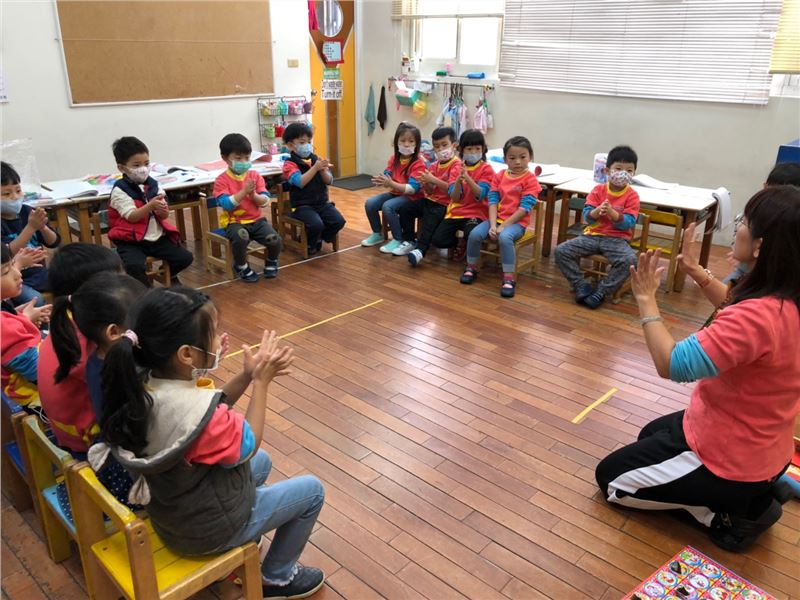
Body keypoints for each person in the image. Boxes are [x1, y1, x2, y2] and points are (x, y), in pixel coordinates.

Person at [595, 185, 800, 553]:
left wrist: (646, 299)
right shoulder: (786, 298)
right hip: (764, 445)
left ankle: (729, 513)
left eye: (744, 222)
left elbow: (671, 364)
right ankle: (756, 487)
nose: (737, 228)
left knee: (612, 481)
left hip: (729, 458)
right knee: (649, 434)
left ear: (760, 246)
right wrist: (694, 270)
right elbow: (737, 310)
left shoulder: (757, 317)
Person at [96, 287, 326, 598]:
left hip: (172, 514)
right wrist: (261, 382)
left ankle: (249, 534)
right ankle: (276, 577)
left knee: (264, 463)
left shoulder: (141, 385)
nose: (219, 339)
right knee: (312, 491)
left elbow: (205, 413)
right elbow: (248, 443)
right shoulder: (194, 410)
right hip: (207, 532)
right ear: (186, 354)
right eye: (214, 332)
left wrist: (246, 376)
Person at [47, 272, 147, 517]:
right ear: (114, 332)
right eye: (142, 323)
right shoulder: (121, 370)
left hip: (111, 455)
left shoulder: (96, 359)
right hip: (127, 477)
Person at [37, 243, 125, 453]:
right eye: (120, 281)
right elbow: (124, 380)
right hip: (88, 442)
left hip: (67, 429)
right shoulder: (88, 338)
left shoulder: (65, 320)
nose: (125, 286)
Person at [553, 145, 640, 309]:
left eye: (629, 170)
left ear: (634, 173)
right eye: (618, 169)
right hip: (592, 236)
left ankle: (601, 291)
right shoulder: (598, 190)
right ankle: (581, 285)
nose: (623, 173)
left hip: (617, 239)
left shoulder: (632, 196)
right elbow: (587, 217)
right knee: (561, 251)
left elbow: (628, 223)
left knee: (630, 261)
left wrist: (613, 213)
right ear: (607, 170)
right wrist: (597, 211)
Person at [459, 136, 541, 298]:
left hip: (517, 223)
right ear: (505, 159)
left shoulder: (530, 179)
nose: (518, 162)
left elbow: (524, 209)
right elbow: (492, 201)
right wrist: (492, 225)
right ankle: (471, 267)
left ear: (530, 157)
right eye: (512, 158)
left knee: (505, 237)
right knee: (474, 234)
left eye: (522, 157)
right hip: (496, 219)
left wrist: (503, 226)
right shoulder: (500, 175)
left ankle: (509, 278)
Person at [108, 136, 193, 286]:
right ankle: (144, 290)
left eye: (146, 163)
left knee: (185, 257)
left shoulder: (153, 185)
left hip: (156, 237)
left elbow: (164, 215)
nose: (143, 168)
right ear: (122, 168)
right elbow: (132, 216)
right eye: (136, 165)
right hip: (131, 240)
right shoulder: (120, 190)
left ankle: (169, 274)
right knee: (134, 266)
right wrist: (151, 205)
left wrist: (162, 210)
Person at [214, 133, 282, 283]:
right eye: (238, 158)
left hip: (257, 220)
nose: (244, 162)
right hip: (234, 222)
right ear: (225, 158)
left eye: (247, 158)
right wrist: (244, 192)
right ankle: (241, 265)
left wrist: (253, 195)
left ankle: (271, 261)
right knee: (241, 237)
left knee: (274, 239)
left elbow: (265, 201)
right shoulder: (221, 180)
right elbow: (226, 204)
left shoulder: (255, 176)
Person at [724, 161, 800, 285]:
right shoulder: (756, 210)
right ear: (765, 187)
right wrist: (739, 253)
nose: (778, 200)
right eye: (774, 192)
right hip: (747, 269)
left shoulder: (790, 221)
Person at [281, 123, 345, 257]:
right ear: (290, 145)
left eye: (309, 142)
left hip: (322, 203)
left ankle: (319, 238)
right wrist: (315, 168)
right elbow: (299, 182)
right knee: (316, 224)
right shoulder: (289, 164)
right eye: (302, 142)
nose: (307, 145)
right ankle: (310, 243)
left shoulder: (315, 159)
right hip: (302, 206)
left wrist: (323, 170)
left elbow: (329, 181)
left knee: (338, 221)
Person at [1, 161, 60, 306]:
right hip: (14, 278)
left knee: (71, 282)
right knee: (36, 300)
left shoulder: (27, 211)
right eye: (6, 193)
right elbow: (8, 252)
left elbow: (54, 242)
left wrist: (42, 227)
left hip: (39, 273)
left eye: (18, 190)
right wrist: (31, 227)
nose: (15, 197)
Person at [430, 129, 494, 262]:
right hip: (456, 211)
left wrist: (468, 179)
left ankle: (465, 243)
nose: (473, 152)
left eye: (477, 148)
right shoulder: (457, 168)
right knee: (438, 240)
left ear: (483, 149)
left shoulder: (486, 169)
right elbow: (455, 198)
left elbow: (481, 194)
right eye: (469, 149)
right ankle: (460, 242)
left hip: (477, 213)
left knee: (471, 233)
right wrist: (458, 182)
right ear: (461, 150)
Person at [362, 122, 426, 254]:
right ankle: (377, 233)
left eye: (411, 141)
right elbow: (388, 173)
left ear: (417, 144)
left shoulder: (418, 163)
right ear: (397, 142)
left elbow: (412, 189)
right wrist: (382, 180)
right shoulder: (394, 159)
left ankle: (398, 238)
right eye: (402, 140)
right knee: (370, 203)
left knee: (388, 206)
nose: (406, 144)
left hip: (412, 197)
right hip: (396, 193)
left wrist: (390, 183)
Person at [1, 244, 50, 411]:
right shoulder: (4, 327)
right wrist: (23, 321)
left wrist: (19, 317)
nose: (18, 273)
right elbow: (40, 374)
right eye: (5, 271)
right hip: (33, 398)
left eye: (13, 265)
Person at [405, 126, 461, 266]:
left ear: (454, 146)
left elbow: (452, 190)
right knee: (406, 208)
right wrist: (425, 183)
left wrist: (433, 180)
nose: (440, 149)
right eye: (436, 146)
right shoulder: (434, 165)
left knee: (430, 217)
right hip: (430, 200)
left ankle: (420, 250)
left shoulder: (457, 165)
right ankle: (409, 240)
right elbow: (430, 192)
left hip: (446, 205)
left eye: (444, 145)